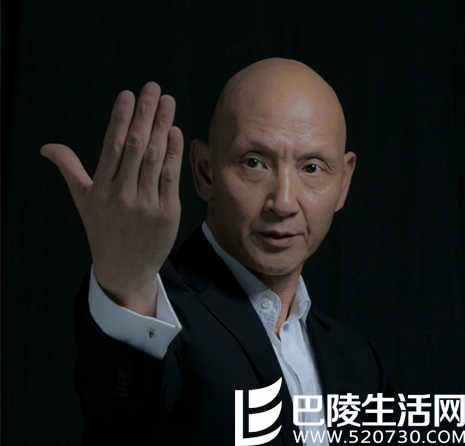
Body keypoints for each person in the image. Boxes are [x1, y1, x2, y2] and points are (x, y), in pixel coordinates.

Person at [41, 58, 389, 446]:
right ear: (205, 171)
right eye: (254, 163)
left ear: (343, 182)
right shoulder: (156, 312)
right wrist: (127, 290)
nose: (283, 202)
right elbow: (120, 419)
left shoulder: (356, 360)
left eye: (312, 168)